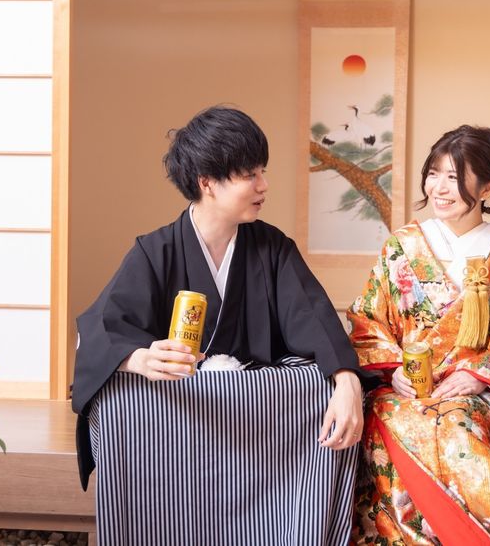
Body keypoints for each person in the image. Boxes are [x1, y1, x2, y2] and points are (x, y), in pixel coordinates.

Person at [72, 105, 373, 491]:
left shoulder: (273, 248)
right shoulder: (155, 251)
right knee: (121, 397)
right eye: (250, 175)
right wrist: (139, 358)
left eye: (263, 172)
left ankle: (280, 512)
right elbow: (103, 329)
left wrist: (347, 382)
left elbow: (315, 320)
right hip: (177, 410)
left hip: (253, 410)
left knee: (320, 386)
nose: (264, 185)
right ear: (207, 182)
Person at [347, 125, 490, 545]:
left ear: (488, 187)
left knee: (459, 424)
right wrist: (396, 370)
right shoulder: (401, 247)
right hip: (409, 390)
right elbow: (369, 319)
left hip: (483, 393)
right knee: (412, 420)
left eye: (454, 177)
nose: (439, 188)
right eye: (433, 174)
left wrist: (479, 376)